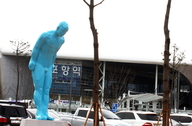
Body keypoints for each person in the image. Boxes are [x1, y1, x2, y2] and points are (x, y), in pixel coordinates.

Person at [28, 21, 69, 120]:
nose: (63, 33)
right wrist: (33, 60)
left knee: (46, 90)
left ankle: (45, 112)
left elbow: (54, 53)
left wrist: (52, 63)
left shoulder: (61, 40)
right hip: (39, 64)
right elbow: (36, 48)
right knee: (39, 89)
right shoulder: (45, 36)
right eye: (62, 30)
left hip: (49, 65)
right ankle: (39, 112)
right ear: (58, 27)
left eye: (65, 32)